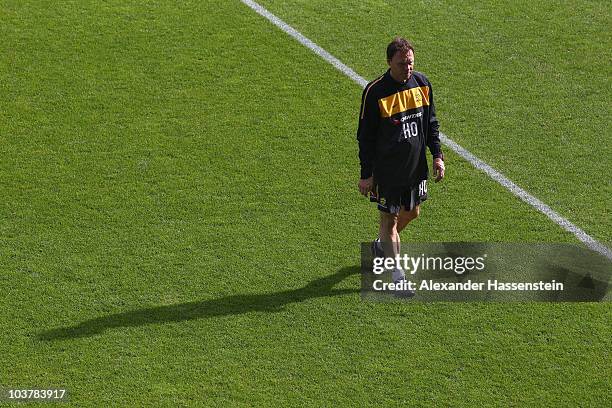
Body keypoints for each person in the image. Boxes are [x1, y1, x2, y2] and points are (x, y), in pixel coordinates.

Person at [357, 37, 445, 287]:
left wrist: (437, 155)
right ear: (388, 62)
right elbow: (365, 136)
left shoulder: (422, 84)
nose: (407, 68)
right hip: (387, 172)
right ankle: (398, 275)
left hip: (416, 168)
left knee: (412, 213)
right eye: (401, 64)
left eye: (410, 63)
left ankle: (379, 245)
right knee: (389, 220)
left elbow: (431, 124)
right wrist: (366, 174)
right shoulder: (375, 92)